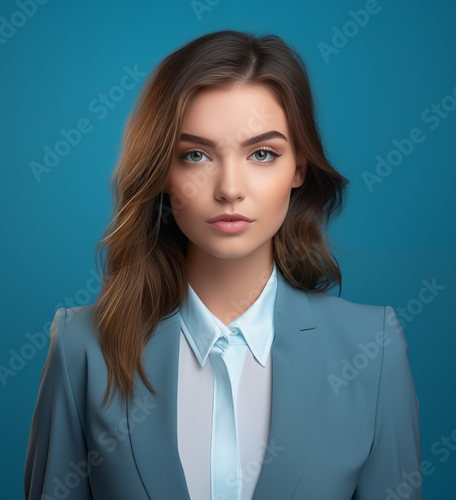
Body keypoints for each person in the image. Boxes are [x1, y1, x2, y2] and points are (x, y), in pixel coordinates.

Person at [24, 30, 422, 500]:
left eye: (262, 153)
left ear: (298, 167)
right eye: (195, 155)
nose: (230, 187)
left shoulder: (372, 350)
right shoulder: (80, 347)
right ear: (161, 174)